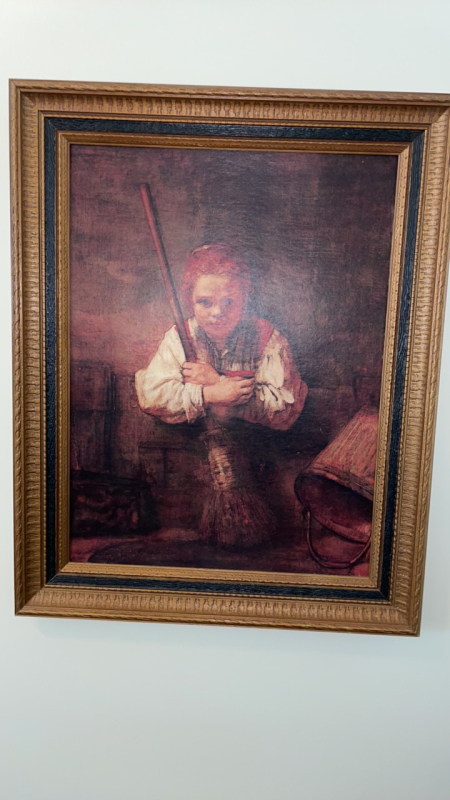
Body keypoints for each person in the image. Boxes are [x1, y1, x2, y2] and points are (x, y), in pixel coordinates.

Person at [135, 243, 308, 431]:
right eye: (205, 302)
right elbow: (152, 397)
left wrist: (218, 381)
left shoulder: (267, 337)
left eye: (229, 302)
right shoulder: (180, 336)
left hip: (259, 447)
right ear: (189, 301)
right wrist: (210, 394)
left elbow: (286, 408)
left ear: (244, 300)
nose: (217, 312)